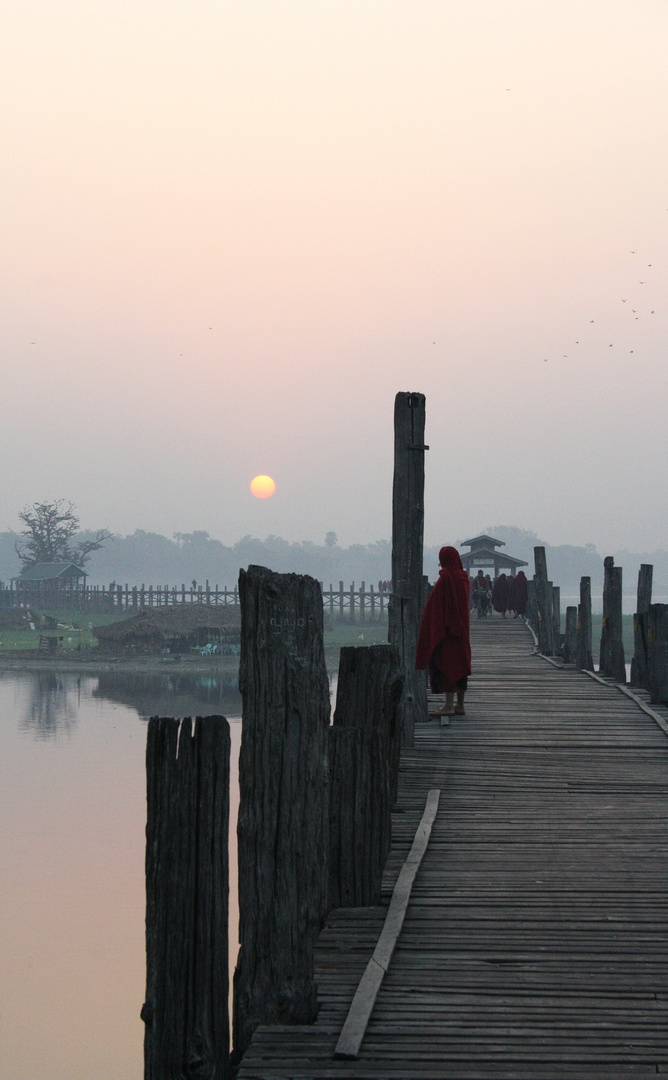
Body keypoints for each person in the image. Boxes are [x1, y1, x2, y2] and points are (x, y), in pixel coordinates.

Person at [416, 546, 472, 720]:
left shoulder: (445, 578)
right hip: (462, 629)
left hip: (447, 631)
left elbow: (434, 604)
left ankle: (448, 705)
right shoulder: (464, 578)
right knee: (461, 664)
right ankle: (460, 705)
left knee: (448, 664)